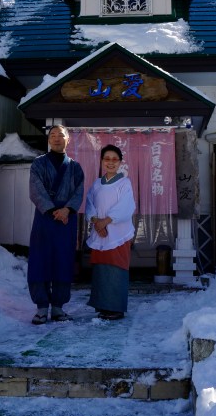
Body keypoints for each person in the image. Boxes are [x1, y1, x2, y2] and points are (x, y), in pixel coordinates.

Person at [28, 125, 85, 325]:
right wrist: (53, 210)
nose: (56, 138)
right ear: (48, 140)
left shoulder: (75, 167)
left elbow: (79, 191)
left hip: (66, 219)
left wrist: (67, 210)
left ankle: (59, 307)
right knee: (40, 259)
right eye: (52, 135)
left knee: (63, 259)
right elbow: (35, 190)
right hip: (45, 217)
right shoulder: (38, 164)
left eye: (60, 135)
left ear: (68, 139)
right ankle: (42, 307)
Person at [85, 144, 136, 320]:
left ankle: (115, 308)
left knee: (116, 267)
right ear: (101, 161)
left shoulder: (124, 183)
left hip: (117, 234)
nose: (111, 162)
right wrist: (96, 222)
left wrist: (105, 222)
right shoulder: (96, 184)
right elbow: (90, 204)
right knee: (101, 268)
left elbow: (126, 207)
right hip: (100, 232)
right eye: (107, 159)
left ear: (120, 162)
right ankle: (103, 306)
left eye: (115, 159)